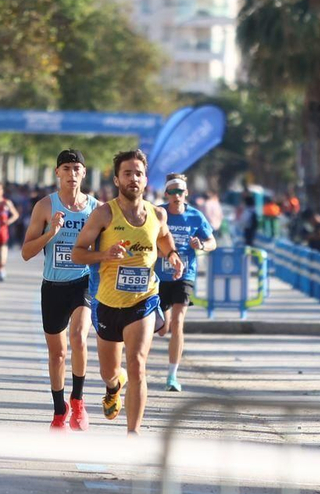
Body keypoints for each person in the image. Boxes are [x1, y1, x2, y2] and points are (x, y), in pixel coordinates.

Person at [73, 149, 183, 435]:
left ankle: (132, 434)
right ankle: (113, 386)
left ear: (146, 180)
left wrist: (172, 256)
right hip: (108, 303)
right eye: (127, 173)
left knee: (137, 365)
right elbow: (78, 254)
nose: (133, 178)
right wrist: (105, 255)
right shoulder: (104, 214)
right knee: (110, 372)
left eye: (138, 173)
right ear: (117, 179)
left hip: (143, 300)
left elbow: (164, 239)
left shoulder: (158, 214)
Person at [22, 150, 99, 430]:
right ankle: (59, 410)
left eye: (77, 168)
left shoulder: (96, 208)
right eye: (66, 168)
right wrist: (50, 234)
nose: (72, 174)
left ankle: (77, 400)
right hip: (53, 286)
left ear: (84, 173)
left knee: (79, 337)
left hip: (83, 283)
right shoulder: (45, 206)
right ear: (57, 173)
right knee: (58, 354)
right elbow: (26, 252)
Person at [155, 175, 216, 393]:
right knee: (162, 328)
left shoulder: (195, 216)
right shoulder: (158, 213)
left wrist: (201, 244)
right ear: (166, 194)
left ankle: (172, 376)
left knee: (178, 322)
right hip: (160, 276)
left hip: (185, 275)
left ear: (186, 193)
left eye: (180, 191)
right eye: (172, 192)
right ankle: (163, 322)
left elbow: (212, 242)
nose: (177, 196)